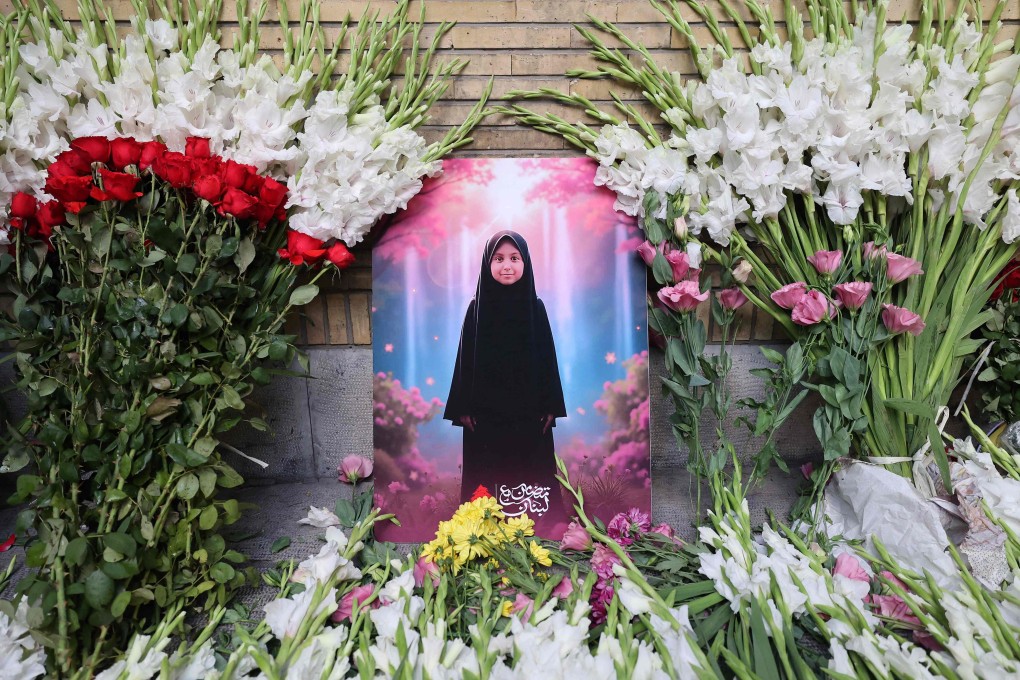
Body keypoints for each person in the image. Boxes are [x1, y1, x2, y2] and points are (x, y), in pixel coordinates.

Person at [444, 230, 569, 536]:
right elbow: (464, 361)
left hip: (529, 414)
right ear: (487, 264)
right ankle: (485, 522)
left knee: (532, 470)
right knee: (487, 476)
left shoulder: (535, 308)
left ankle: (538, 521)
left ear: (525, 262)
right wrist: (463, 408)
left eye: (515, 258)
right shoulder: (476, 309)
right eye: (498, 259)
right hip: (486, 416)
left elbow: (548, 360)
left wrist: (551, 406)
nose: (507, 266)